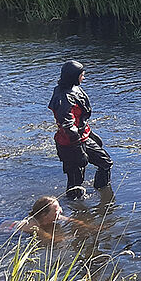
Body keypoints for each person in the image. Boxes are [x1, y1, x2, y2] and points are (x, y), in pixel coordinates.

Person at [48, 60, 113, 200]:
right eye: (81, 75)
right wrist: (78, 150)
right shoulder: (63, 97)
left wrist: (90, 134)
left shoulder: (74, 88)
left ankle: (103, 194)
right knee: (75, 181)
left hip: (83, 137)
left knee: (105, 162)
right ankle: (74, 212)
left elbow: (81, 118)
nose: (83, 78)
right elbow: (68, 127)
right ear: (73, 76)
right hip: (70, 144)